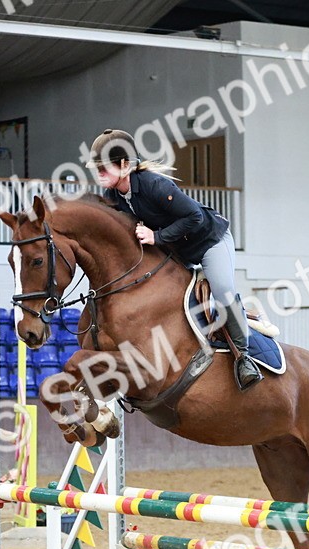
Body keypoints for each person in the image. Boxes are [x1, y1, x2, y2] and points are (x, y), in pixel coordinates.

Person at [86, 128, 263, 391]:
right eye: (96, 168)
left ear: (124, 165)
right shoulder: (114, 196)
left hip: (209, 242)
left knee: (223, 291)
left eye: (103, 168)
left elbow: (195, 217)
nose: (98, 174)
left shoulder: (153, 185)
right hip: (178, 251)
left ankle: (244, 357)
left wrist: (156, 237)